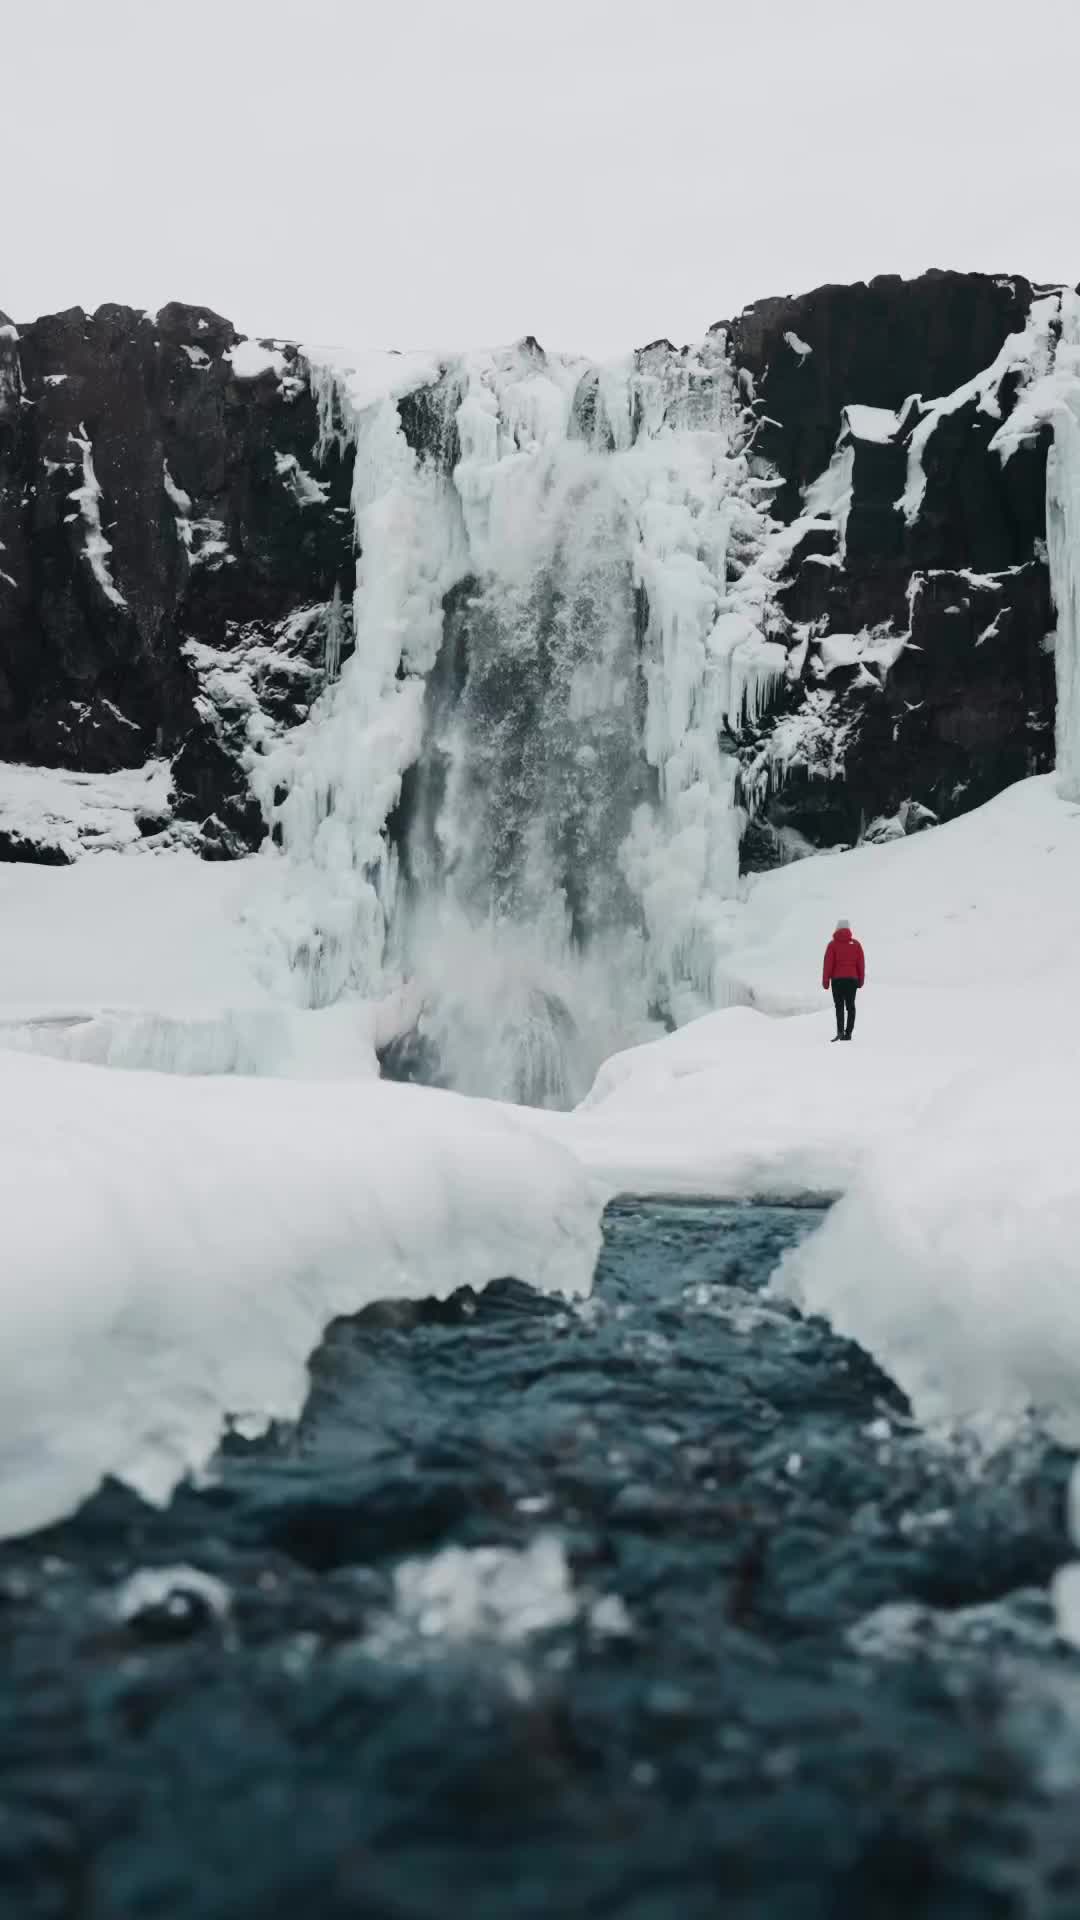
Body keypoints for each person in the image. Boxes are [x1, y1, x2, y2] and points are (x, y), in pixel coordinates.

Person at [822, 918, 865, 1042]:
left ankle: (840, 1031)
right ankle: (848, 1033)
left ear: (837, 928)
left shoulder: (832, 945)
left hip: (837, 980)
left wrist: (826, 981)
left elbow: (828, 964)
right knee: (850, 1006)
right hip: (852, 980)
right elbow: (860, 964)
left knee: (839, 1006)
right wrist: (860, 980)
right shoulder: (856, 944)